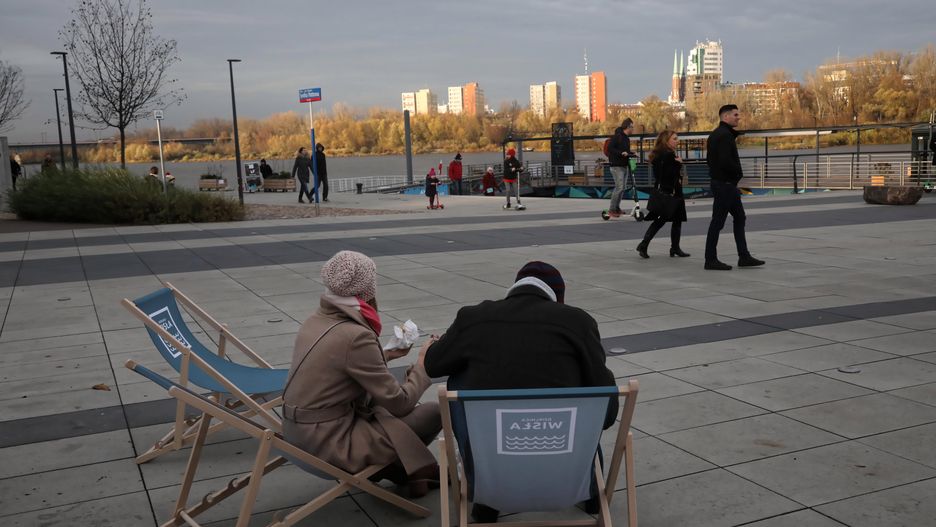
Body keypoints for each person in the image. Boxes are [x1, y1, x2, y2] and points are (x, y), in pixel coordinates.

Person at [424, 261, 618, 523]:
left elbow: (433, 364)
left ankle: (486, 500)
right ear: (557, 298)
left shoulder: (473, 318)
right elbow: (607, 413)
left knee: (460, 380)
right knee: (588, 401)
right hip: (563, 457)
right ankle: (593, 493)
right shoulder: (579, 322)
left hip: (491, 458)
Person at [283, 251, 442, 498]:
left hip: (298, 431)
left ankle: (406, 472)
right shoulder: (357, 335)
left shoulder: (315, 320)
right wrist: (423, 364)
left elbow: (340, 364)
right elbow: (400, 403)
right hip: (327, 443)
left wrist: (386, 354)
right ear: (368, 289)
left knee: (384, 406)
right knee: (433, 411)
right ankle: (399, 469)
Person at [704, 104, 764, 271]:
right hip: (725, 185)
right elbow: (725, 161)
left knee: (739, 217)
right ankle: (710, 259)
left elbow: (711, 160)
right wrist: (737, 173)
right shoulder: (724, 136)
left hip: (724, 184)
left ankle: (744, 256)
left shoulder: (718, 134)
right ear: (725, 117)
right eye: (735, 115)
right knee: (718, 221)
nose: (739, 117)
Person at [637, 130, 689, 259]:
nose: (677, 141)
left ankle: (673, 248)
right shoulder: (669, 155)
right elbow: (670, 174)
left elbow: (660, 175)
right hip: (672, 192)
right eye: (675, 139)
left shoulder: (658, 154)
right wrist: (679, 164)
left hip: (664, 191)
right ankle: (647, 245)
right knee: (668, 220)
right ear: (667, 140)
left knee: (670, 219)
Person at [606, 118, 637, 218]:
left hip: (624, 165)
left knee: (622, 188)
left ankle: (617, 208)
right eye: (632, 127)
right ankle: (611, 209)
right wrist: (621, 153)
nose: (633, 129)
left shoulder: (626, 138)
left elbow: (625, 151)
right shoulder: (617, 137)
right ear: (627, 127)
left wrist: (632, 153)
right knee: (619, 187)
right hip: (616, 166)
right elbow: (610, 148)